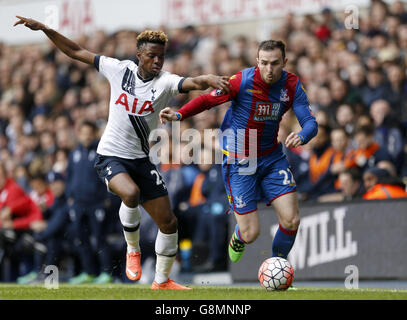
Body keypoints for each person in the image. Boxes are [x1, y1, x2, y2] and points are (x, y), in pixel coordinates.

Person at [14, 16, 230, 290]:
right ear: (139, 55)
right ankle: (133, 249)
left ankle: (162, 281)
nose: (157, 62)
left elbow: (193, 82)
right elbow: (76, 51)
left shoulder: (165, 82)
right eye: (152, 56)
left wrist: (208, 78)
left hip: (140, 159)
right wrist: (46, 29)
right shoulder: (119, 69)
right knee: (130, 193)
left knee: (169, 221)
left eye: (161, 57)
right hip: (110, 156)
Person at [160, 40, 318, 266]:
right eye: (264, 63)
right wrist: (179, 115)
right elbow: (207, 100)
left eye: (275, 63)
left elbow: (310, 122)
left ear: (284, 62)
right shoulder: (241, 81)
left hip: (272, 158)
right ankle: (240, 235)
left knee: (292, 220)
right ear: (257, 62)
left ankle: (278, 266)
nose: (269, 69)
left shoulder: (291, 85)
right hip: (240, 161)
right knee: (251, 233)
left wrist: (303, 135)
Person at [66, 121, 112, 284]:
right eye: (83, 133)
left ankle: (106, 273)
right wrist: (69, 196)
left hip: (96, 203)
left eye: (89, 133)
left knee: (99, 238)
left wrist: (107, 198)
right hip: (78, 204)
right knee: (81, 238)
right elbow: (69, 177)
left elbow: (108, 175)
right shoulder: (74, 153)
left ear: (93, 134)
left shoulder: (101, 152)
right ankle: (88, 272)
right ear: (79, 134)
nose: (86, 136)